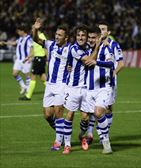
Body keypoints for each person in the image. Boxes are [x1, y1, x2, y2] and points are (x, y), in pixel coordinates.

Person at [31, 18, 71, 149]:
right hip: (49, 85)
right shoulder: (51, 45)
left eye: (60, 35)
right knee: (47, 115)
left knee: (59, 113)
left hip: (62, 85)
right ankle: (62, 134)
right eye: (56, 34)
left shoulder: (71, 49)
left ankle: (58, 142)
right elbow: (36, 40)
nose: (57, 37)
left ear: (66, 37)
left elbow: (81, 60)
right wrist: (35, 29)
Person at [62, 25, 101, 154]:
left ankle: (82, 135)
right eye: (78, 35)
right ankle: (67, 145)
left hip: (86, 88)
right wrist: (97, 47)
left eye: (83, 35)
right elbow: (89, 60)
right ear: (75, 37)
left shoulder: (89, 48)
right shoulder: (74, 49)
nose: (80, 37)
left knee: (85, 117)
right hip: (73, 88)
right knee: (70, 114)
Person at [86, 21, 124, 143]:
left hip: (109, 80)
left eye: (103, 29)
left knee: (107, 108)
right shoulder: (91, 45)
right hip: (93, 81)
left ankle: (103, 133)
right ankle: (95, 133)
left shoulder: (113, 45)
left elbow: (121, 63)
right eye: (100, 29)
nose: (101, 31)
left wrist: (114, 73)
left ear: (108, 32)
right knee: (96, 110)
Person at [0, 23, 32, 95]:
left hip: (26, 60)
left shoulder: (28, 38)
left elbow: (32, 48)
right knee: (14, 74)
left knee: (27, 75)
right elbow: (14, 43)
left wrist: (29, 57)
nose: (18, 32)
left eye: (19, 31)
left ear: (23, 31)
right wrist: (5, 43)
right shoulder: (20, 38)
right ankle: (23, 86)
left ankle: (28, 90)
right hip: (19, 60)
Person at [19, 30, 47, 100]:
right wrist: (28, 57)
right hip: (38, 58)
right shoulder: (36, 37)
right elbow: (34, 50)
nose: (32, 30)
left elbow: (46, 48)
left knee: (33, 76)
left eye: (33, 28)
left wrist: (48, 59)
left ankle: (28, 96)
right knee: (43, 77)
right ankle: (53, 93)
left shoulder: (41, 36)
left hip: (40, 59)